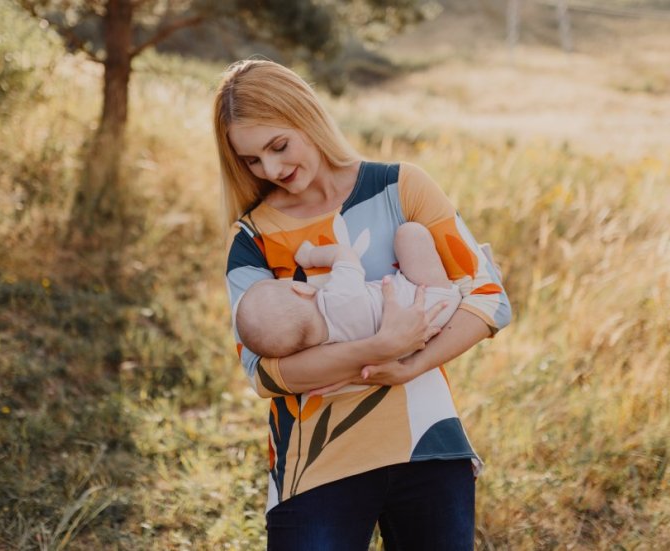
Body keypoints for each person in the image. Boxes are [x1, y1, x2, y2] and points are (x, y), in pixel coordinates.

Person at [215, 59, 511, 550]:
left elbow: (488, 298)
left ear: (306, 115)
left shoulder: (402, 186)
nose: (271, 170)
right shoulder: (252, 237)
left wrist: (409, 362)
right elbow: (263, 373)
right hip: (313, 462)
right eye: (252, 160)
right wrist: (381, 346)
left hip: (426, 440)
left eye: (278, 146)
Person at [235, 221, 462, 360]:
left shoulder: (330, 348)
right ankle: (470, 279)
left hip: (419, 339)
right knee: (410, 233)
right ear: (299, 289)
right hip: (432, 297)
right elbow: (345, 255)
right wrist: (310, 256)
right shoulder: (339, 295)